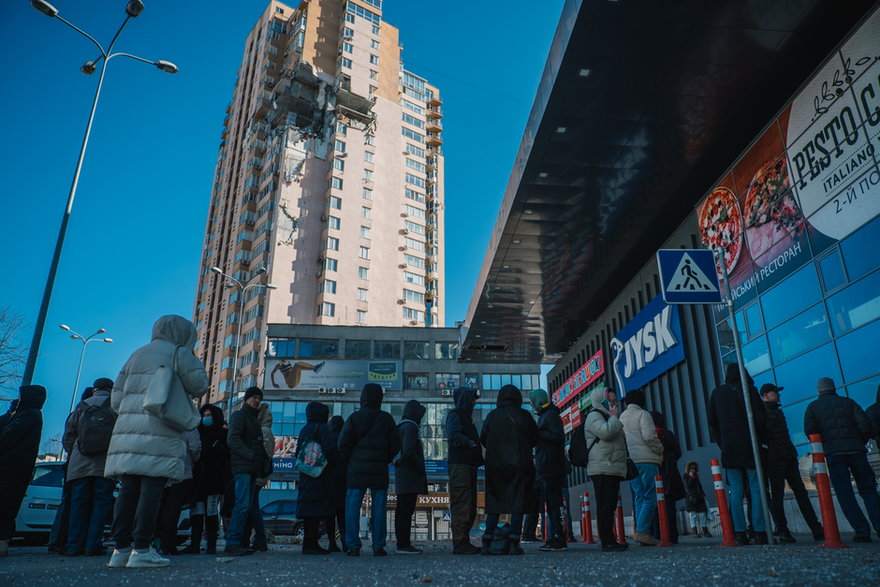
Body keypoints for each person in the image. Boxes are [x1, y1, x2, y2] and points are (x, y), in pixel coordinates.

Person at [104, 315, 208, 568]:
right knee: (152, 490)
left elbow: (116, 399)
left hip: (128, 432)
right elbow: (199, 385)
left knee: (128, 490)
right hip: (160, 429)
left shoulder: (136, 354)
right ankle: (142, 549)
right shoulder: (179, 354)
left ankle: (120, 550)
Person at [804, 377, 879, 542]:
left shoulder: (813, 408)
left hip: (834, 454)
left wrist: (824, 447)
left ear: (819, 390)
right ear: (833, 388)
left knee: (845, 493)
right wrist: (860, 441)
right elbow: (865, 424)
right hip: (856, 451)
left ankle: (861, 531)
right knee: (868, 490)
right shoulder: (848, 402)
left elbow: (810, 431)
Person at [707, 363, 768, 545]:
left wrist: (722, 442)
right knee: (756, 487)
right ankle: (760, 530)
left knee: (735, 490)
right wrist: (760, 439)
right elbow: (760, 419)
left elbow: (713, 422)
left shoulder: (717, 393)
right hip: (750, 446)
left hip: (730, 446)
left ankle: (739, 532)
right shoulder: (749, 390)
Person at [338, 383, 399, 556]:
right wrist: (384, 459)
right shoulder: (386, 418)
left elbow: (343, 444)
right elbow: (395, 444)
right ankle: (378, 546)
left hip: (356, 469)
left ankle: (353, 545)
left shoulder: (354, 418)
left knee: (352, 505)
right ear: (380, 398)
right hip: (379, 469)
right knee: (379, 507)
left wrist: (350, 460)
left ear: (362, 398)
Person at [479, 384, 538, 555]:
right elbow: (534, 439)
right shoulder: (524, 415)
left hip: (496, 466)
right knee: (518, 503)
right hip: (520, 465)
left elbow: (484, 438)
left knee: (495, 503)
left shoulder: (492, 416)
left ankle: (487, 540)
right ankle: (513, 541)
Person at [761, 383, 823, 543]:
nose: (779, 396)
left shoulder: (777, 411)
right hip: (775, 460)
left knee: (801, 493)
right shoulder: (761, 412)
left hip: (788, 458)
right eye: (776, 393)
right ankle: (783, 530)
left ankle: (816, 528)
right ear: (766, 395)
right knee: (778, 496)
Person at [61, 378, 117, 556]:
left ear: (95, 390)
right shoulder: (116, 406)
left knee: (78, 504)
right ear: (111, 390)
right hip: (105, 463)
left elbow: (69, 435)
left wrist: (75, 452)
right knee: (101, 503)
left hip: (80, 463)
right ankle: (93, 545)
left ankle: (73, 545)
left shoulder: (81, 406)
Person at [0, 385, 46, 557]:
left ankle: (2, 543)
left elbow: (7, 438)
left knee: (5, 507)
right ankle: (2, 542)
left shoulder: (28, 415)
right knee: (7, 509)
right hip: (16, 469)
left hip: (10, 469)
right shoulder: (31, 415)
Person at [48, 387, 94, 555]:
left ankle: (60, 541)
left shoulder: (76, 413)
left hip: (74, 464)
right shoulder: (100, 412)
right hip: (93, 464)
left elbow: (68, 438)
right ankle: (75, 541)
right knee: (84, 503)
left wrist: (73, 454)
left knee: (70, 502)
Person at [225, 386, 271, 556]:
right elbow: (232, 439)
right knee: (242, 505)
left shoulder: (254, 419)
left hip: (252, 469)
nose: (257, 400)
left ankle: (239, 542)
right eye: (254, 397)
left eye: (259, 398)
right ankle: (232, 543)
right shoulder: (239, 416)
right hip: (243, 467)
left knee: (247, 506)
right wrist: (250, 455)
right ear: (246, 399)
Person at [585, 386, 628, 552]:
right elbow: (605, 433)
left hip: (611, 466)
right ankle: (607, 541)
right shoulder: (594, 415)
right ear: (600, 399)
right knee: (605, 505)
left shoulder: (607, 416)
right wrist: (614, 418)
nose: (614, 403)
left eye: (615, 400)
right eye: (610, 400)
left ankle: (611, 539)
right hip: (602, 467)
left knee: (610, 506)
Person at [619, 388, 663, 546]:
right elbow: (650, 437)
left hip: (631, 462)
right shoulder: (643, 414)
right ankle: (643, 531)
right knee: (650, 496)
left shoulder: (622, 417)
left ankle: (640, 530)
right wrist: (660, 450)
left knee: (638, 496)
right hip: (647, 459)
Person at [187, 403, 229, 554]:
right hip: (197, 481)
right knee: (197, 513)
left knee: (211, 513)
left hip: (214, 481)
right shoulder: (197, 432)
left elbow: (225, 457)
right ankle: (195, 544)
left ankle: (211, 544)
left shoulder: (223, 434)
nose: (206, 418)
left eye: (209, 415)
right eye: (204, 415)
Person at [528, 388, 567, 551]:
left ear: (538, 401)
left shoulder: (550, 416)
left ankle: (559, 538)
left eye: (532, 401)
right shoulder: (546, 415)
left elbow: (558, 437)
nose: (530, 404)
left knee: (555, 503)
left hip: (551, 466)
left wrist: (539, 434)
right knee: (551, 503)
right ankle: (556, 537)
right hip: (547, 466)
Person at [445, 387, 483, 555]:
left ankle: (463, 541)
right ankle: (460, 543)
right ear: (465, 400)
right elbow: (453, 436)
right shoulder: (455, 415)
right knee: (462, 504)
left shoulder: (465, 417)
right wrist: (470, 444)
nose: (474, 403)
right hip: (460, 466)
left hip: (467, 465)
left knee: (469, 504)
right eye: (472, 399)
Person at [296, 401, 337, 554]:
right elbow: (329, 450)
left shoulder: (304, 429)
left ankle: (308, 542)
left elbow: (299, 452)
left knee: (308, 510)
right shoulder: (324, 428)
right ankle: (312, 544)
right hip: (320, 475)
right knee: (317, 509)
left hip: (306, 473)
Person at [156, 427, 201, 555]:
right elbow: (195, 447)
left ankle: (156, 541)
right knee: (173, 510)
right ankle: (169, 544)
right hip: (182, 471)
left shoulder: (164, 420)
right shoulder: (189, 424)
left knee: (160, 507)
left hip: (161, 470)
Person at [394, 400, 428, 554]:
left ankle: (402, 543)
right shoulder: (411, 427)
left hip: (402, 475)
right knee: (406, 511)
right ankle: (404, 544)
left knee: (402, 510)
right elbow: (409, 451)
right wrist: (420, 466)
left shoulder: (401, 426)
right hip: (410, 475)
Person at [243, 403, 274, 552]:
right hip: (259, 474)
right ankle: (254, 538)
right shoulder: (265, 430)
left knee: (252, 507)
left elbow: (263, 454)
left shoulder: (264, 431)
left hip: (257, 474)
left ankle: (260, 538)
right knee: (251, 506)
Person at [650, 410, 684, 544]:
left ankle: (657, 534)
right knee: (669, 504)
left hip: (654, 470)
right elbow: (678, 451)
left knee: (654, 505)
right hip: (669, 471)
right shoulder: (667, 434)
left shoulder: (648, 434)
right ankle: (672, 535)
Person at [326, 415, 347, 552]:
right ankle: (345, 542)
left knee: (329, 514)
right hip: (343, 480)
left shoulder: (327, 438)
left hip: (328, 480)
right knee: (342, 514)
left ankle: (332, 542)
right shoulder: (345, 438)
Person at [682, 461, 710, 537]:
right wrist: (691, 477)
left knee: (702, 515)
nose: (693, 470)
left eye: (694, 468)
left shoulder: (696, 476)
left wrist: (703, 495)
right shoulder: (685, 476)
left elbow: (699, 487)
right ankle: (694, 532)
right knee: (693, 515)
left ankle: (705, 531)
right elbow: (688, 486)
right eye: (691, 468)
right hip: (690, 498)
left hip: (699, 497)